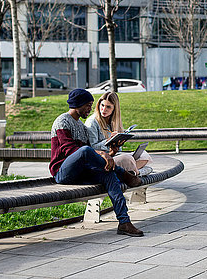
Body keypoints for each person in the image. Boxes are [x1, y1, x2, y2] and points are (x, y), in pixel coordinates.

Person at [49, 88, 144, 237]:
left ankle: (124, 222)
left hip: (81, 171)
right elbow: (70, 150)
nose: (90, 109)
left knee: (109, 175)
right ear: (78, 104)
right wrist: (102, 154)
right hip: (62, 172)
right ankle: (123, 173)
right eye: (88, 105)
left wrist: (110, 153)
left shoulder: (81, 126)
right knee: (86, 150)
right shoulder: (62, 121)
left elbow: (88, 157)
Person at [85, 91, 152, 174]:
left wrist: (118, 142)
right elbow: (92, 147)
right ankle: (137, 173)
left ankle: (132, 171)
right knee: (127, 159)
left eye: (108, 107)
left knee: (144, 155)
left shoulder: (114, 122)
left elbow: (118, 151)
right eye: (102, 105)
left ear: (114, 109)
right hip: (102, 159)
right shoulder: (92, 122)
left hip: (113, 155)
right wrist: (108, 141)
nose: (104, 109)